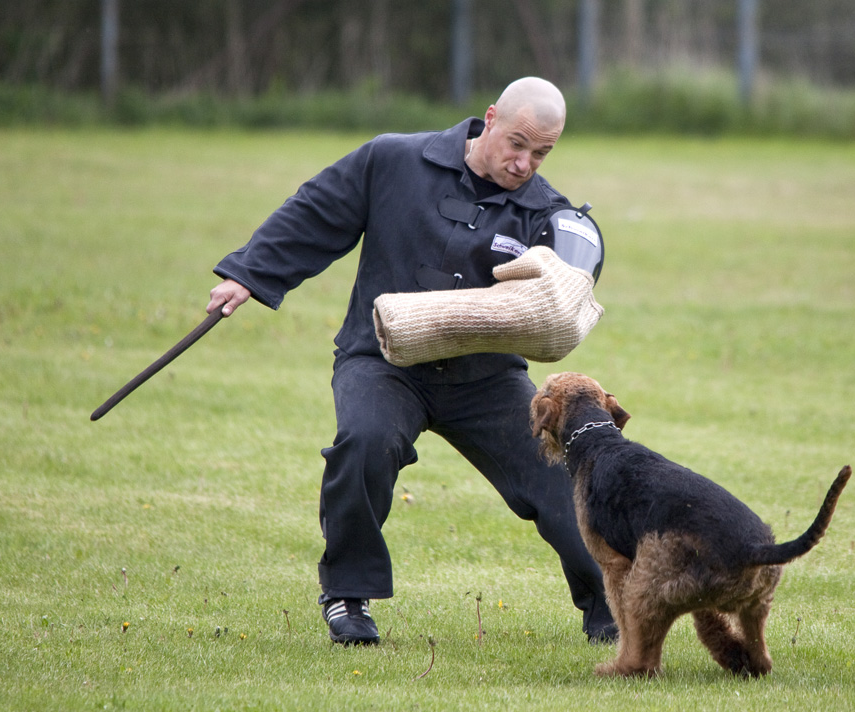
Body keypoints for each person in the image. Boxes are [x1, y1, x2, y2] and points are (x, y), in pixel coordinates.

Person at [206, 77, 616, 646]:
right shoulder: (393, 160)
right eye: (516, 144)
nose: (524, 163)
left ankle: (608, 609)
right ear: (490, 118)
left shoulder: (545, 213)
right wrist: (248, 274)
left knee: (560, 471)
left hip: (485, 377)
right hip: (382, 362)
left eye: (541, 153)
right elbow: (315, 213)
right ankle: (347, 597)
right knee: (364, 442)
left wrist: (577, 269)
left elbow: (575, 264)